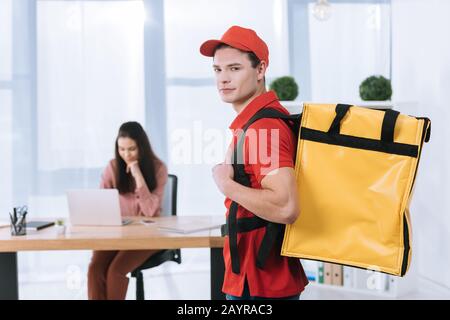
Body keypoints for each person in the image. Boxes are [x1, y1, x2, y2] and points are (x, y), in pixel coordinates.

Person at [200, 26, 308, 300]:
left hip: (260, 283)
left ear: (260, 70)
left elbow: (286, 207)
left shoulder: (263, 127)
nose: (223, 79)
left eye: (234, 69)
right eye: (217, 70)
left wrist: (225, 184)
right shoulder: (254, 122)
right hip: (256, 278)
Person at [87, 121, 168, 300]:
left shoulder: (159, 168)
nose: (126, 155)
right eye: (122, 149)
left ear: (142, 147)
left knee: (115, 271)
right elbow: (100, 205)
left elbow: (150, 212)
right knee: (95, 268)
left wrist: (137, 173)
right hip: (118, 234)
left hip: (149, 236)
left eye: (131, 149)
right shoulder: (113, 167)